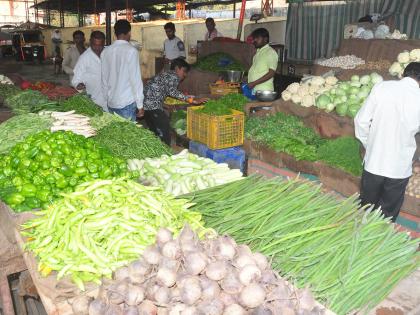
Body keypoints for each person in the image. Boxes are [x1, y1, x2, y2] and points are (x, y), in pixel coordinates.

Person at [354, 62, 420, 222]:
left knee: (366, 209)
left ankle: (359, 235)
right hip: (399, 168)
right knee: (386, 216)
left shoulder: (381, 88)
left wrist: (369, 145)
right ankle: (379, 242)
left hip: (374, 163)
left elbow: (360, 121)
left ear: (403, 74)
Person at [143, 58, 206, 145]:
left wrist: (163, 103)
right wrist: (192, 100)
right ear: (177, 68)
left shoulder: (164, 74)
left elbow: (155, 89)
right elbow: (172, 91)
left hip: (145, 106)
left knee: (155, 131)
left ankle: (155, 149)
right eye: (184, 71)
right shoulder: (174, 75)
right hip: (153, 106)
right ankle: (165, 152)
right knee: (164, 129)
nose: (185, 74)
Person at [101, 19, 144, 121]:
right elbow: (135, 80)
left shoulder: (105, 52)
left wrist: (105, 100)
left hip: (111, 102)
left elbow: (104, 79)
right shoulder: (131, 51)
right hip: (126, 103)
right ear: (129, 32)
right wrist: (140, 105)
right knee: (127, 136)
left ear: (115, 33)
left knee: (115, 134)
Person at [72, 31, 107, 112]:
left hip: (110, 99)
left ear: (104, 43)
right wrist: (79, 84)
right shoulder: (84, 58)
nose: (97, 48)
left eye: (100, 45)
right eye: (95, 45)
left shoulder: (108, 53)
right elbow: (76, 79)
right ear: (90, 42)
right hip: (94, 100)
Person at [247, 28, 278, 92]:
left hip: (264, 91)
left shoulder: (270, 52)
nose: (254, 40)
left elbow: (271, 73)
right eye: (254, 38)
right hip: (255, 90)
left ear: (265, 39)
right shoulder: (257, 53)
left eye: (257, 38)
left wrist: (254, 83)